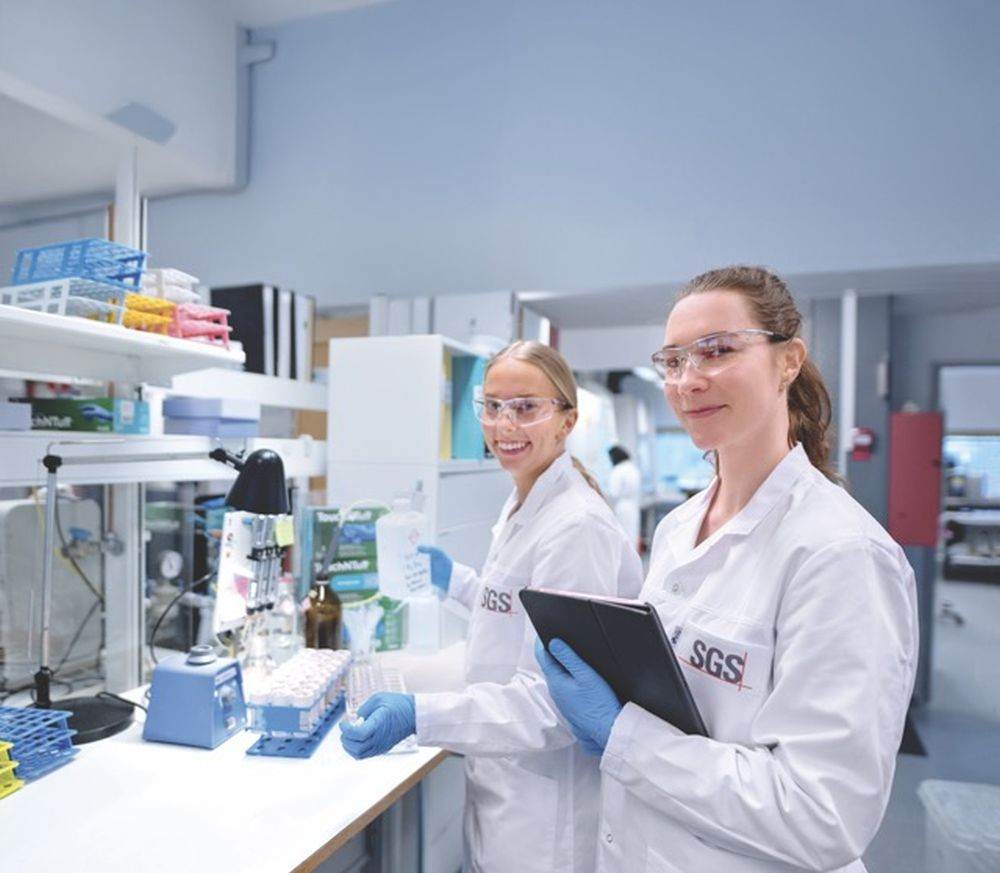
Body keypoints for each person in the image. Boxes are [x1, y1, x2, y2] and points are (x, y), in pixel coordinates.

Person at [536, 266, 918, 873]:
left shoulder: (840, 553)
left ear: (788, 361)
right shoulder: (677, 529)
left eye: (716, 351)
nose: (688, 380)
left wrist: (623, 737)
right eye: (673, 360)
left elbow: (823, 816)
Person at [340, 340, 644, 873]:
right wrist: (455, 581)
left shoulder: (576, 528)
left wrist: (420, 715)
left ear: (567, 420)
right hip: (503, 793)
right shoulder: (527, 499)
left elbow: (552, 705)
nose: (505, 424)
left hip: (544, 824)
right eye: (493, 406)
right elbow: (517, 610)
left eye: (525, 407)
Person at [606, 445, 642, 549]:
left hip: (622, 507)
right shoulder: (632, 468)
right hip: (633, 506)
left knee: (623, 535)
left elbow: (614, 492)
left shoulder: (618, 470)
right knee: (632, 535)